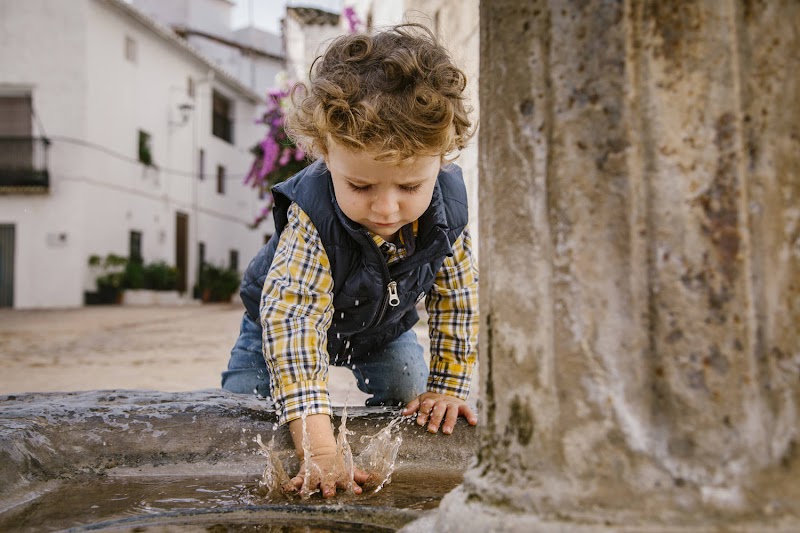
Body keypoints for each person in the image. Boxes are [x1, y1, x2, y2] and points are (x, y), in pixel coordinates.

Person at [221, 23, 479, 498]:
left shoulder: (448, 215)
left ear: (441, 158)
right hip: (275, 324)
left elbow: (458, 301)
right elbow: (294, 324)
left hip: (382, 328)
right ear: (324, 153)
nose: (386, 209)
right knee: (241, 418)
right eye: (361, 186)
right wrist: (319, 449)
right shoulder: (311, 214)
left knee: (410, 397)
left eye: (409, 187)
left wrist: (447, 385)